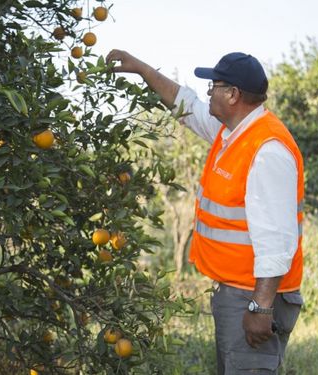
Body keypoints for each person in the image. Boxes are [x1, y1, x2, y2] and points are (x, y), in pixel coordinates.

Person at [106, 50, 305, 374]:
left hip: (255, 295)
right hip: (238, 290)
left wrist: (260, 306)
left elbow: (278, 239)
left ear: (233, 94)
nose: (208, 92)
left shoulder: (267, 149)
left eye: (214, 85)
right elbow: (186, 106)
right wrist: (142, 69)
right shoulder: (231, 133)